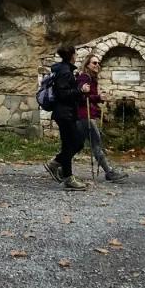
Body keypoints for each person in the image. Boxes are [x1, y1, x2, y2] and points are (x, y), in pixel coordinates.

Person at [76, 54, 126, 183]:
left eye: (98, 63)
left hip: (86, 115)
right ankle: (109, 172)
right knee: (96, 144)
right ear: (87, 65)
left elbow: (90, 100)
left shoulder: (91, 78)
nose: (97, 65)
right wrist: (98, 97)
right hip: (84, 116)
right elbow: (81, 98)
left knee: (76, 145)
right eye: (94, 63)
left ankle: (57, 164)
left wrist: (99, 112)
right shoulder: (84, 77)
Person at [44, 45, 87, 191]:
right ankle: (65, 174)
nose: (76, 55)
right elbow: (63, 94)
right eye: (75, 53)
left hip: (66, 113)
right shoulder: (65, 71)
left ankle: (59, 166)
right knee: (72, 143)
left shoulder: (63, 70)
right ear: (72, 55)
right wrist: (80, 90)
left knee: (74, 143)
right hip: (65, 113)